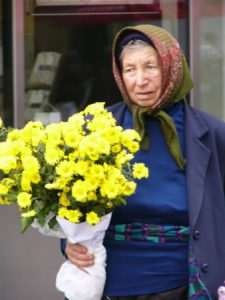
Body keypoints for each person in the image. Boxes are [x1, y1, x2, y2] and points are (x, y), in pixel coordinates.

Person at [61, 24, 225, 300]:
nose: (140, 80)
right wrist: (70, 243)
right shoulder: (95, 130)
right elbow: (71, 203)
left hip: (184, 283)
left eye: (151, 67)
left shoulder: (211, 134)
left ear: (172, 68)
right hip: (108, 283)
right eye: (129, 69)